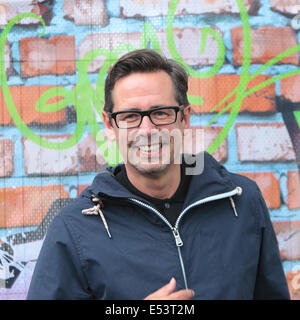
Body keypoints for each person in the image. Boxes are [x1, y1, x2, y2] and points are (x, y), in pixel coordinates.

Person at [27, 49, 290, 300]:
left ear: (185, 118)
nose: (148, 130)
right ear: (110, 125)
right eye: (130, 116)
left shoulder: (242, 202)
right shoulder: (75, 229)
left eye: (160, 113)